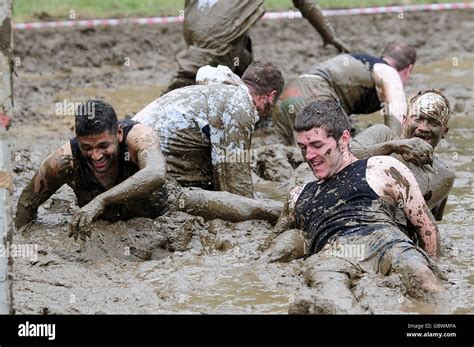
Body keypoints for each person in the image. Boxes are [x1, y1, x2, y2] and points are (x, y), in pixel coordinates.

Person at [264, 99, 444, 314]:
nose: (309, 156)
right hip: (332, 253)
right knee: (332, 300)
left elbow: (426, 227)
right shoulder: (298, 195)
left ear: (344, 139)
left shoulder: (383, 168)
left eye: (317, 145)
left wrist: (434, 265)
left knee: (425, 281)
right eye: (303, 148)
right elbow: (272, 243)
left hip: (385, 241)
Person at [15, 100, 168, 241]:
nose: (96, 156)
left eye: (103, 146)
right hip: (108, 235)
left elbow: (156, 173)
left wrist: (101, 200)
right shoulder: (62, 162)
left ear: (119, 134)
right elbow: (26, 204)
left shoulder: (138, 137)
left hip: (163, 212)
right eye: (87, 148)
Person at [133, 62, 284, 199]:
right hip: (147, 176)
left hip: (132, 160)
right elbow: (236, 187)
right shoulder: (239, 105)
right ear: (271, 96)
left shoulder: (215, 91)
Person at [163, 0, 349, 93]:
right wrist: (329, 35)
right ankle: (149, 122)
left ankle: (248, 95)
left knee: (241, 56)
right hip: (216, 34)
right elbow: (305, 3)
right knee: (187, 84)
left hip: (195, 23)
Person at [273, 41, 417, 144]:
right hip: (314, 94)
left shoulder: (366, 63)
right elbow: (397, 108)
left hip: (288, 96)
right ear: (409, 69)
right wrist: (396, 146)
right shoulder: (387, 71)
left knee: (287, 151)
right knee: (336, 155)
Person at [350, 89, 454, 222]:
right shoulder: (382, 135)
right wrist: (393, 147)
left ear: (445, 131)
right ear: (405, 120)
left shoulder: (445, 176)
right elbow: (345, 156)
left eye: (433, 123)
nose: (423, 127)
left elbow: (431, 224)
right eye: (418, 119)